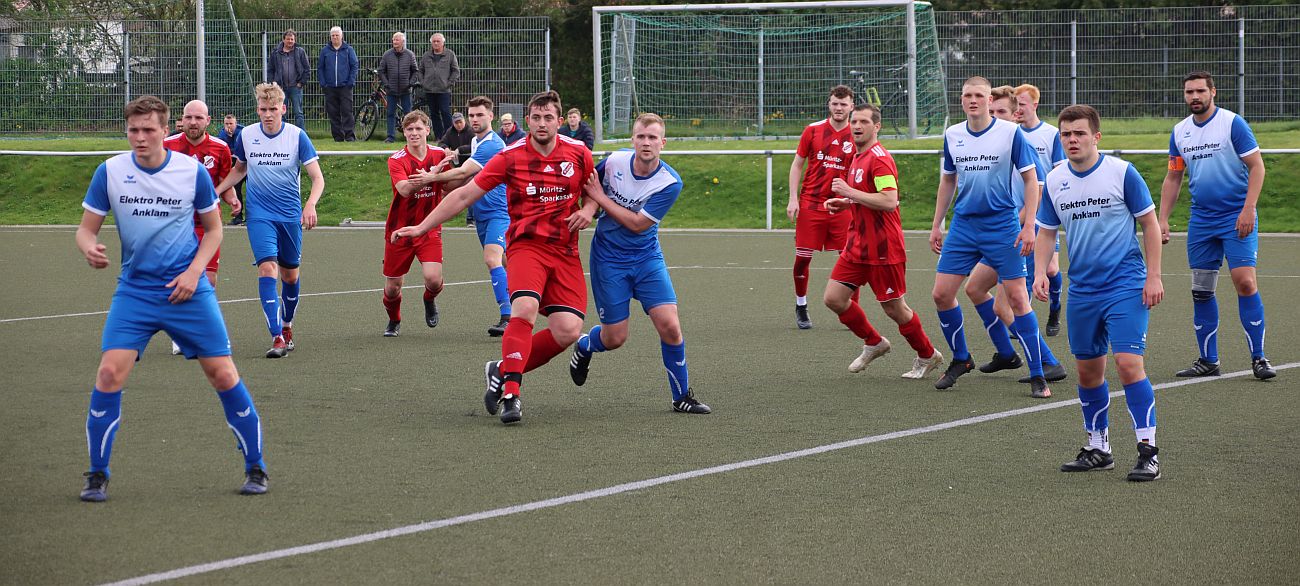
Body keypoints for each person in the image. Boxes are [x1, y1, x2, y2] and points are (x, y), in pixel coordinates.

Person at [75, 95, 268, 502]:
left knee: (223, 374)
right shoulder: (109, 172)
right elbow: (86, 228)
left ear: (166, 130)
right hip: (136, 292)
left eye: (149, 130)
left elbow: (213, 230)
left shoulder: (191, 172)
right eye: (133, 130)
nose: (140, 137)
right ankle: (97, 474)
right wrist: (88, 246)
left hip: (189, 290)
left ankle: (255, 466)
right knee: (109, 374)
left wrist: (194, 273)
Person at [392, 90, 597, 425]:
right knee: (525, 309)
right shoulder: (510, 156)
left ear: (560, 122)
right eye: (536, 117)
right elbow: (465, 193)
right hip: (527, 247)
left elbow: (593, 193)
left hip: (565, 252)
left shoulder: (578, 153)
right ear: (526, 121)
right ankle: (512, 394)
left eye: (549, 118)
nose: (542, 123)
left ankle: (501, 369)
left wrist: (588, 210)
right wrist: (421, 227)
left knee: (569, 330)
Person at [1035, 104, 1165, 481]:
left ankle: (1148, 451)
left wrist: (1153, 276)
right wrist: (1040, 272)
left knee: (1127, 365)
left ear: (1096, 137)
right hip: (1084, 290)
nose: (1072, 140)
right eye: (1066, 134)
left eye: (1079, 133)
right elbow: (1046, 230)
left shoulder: (1121, 173)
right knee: (1088, 372)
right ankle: (1098, 448)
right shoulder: (1055, 179)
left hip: (1125, 283)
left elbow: (1150, 225)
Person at [568, 113, 712, 414]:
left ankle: (681, 395)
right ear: (633, 139)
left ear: (663, 142)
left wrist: (600, 200)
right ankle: (584, 346)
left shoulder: (670, 182)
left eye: (652, 138)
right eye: (641, 137)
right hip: (608, 259)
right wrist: (590, 208)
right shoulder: (614, 161)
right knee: (615, 338)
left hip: (647, 259)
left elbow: (637, 224)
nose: (646, 143)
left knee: (671, 326)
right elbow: (590, 190)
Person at [929, 76, 1052, 398]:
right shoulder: (953, 135)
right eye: (967, 95)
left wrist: (1028, 226)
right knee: (942, 294)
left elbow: (1032, 179)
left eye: (979, 95)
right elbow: (947, 181)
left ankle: (1038, 373)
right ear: (962, 100)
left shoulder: (1010, 133)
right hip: (964, 227)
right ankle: (961, 359)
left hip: (1002, 225)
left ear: (988, 99)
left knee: (1016, 298)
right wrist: (936, 223)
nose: (973, 100)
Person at [1159, 71, 1274, 380]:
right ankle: (1208, 360)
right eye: (1189, 92)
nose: (1194, 97)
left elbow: (1256, 166)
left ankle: (1259, 358)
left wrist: (1248, 208)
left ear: (1213, 92)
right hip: (1201, 221)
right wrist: (1163, 218)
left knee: (1245, 282)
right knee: (1201, 290)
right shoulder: (1180, 131)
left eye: (1200, 91)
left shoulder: (1232, 123)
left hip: (1236, 215)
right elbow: (1174, 176)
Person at [822, 104, 944, 380]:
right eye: (854, 121)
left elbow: (889, 201)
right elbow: (870, 196)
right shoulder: (857, 156)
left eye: (864, 121)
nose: (856, 126)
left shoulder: (879, 158)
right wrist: (846, 202)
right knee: (834, 298)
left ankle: (927, 354)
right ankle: (874, 342)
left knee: (894, 309)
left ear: (877, 127)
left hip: (883, 249)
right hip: (856, 246)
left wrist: (849, 190)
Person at [960, 85, 1067, 389]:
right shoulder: (992, 143)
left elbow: (1040, 185)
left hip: (1021, 235)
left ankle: (1048, 363)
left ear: (1016, 114)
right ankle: (1007, 353)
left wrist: (1020, 221)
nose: (994, 117)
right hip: (1001, 233)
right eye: (992, 112)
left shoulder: (1019, 143)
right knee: (976, 288)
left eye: (1001, 112)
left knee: (1009, 305)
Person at [214, 82, 325, 359]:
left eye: (273, 109)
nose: (268, 114)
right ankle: (276, 336)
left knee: (290, 275)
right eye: (263, 109)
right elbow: (239, 169)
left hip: (289, 215)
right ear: (257, 110)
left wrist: (310, 204)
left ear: (283, 109)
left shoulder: (297, 136)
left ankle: (287, 326)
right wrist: (215, 193)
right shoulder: (247, 135)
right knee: (267, 269)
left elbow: (317, 177)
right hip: (259, 214)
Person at [422, 95, 513, 336]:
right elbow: (464, 178)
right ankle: (528, 301)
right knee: (506, 263)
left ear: (491, 116)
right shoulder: (476, 142)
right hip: (482, 215)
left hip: (499, 213)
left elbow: (464, 171)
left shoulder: (492, 144)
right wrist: (440, 181)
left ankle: (508, 317)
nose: (474, 119)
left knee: (492, 258)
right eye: (471, 115)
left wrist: (431, 178)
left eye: (480, 114)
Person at [163, 100, 242, 355]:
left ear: (208, 121)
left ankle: (199, 328)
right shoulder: (167, 147)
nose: (193, 122)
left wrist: (232, 198)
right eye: (189, 117)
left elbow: (224, 181)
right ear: (182, 120)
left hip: (208, 224)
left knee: (207, 279)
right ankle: (181, 333)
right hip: (176, 225)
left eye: (198, 118)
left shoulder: (220, 148)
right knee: (179, 276)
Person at [788, 85, 855, 329]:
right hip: (812, 204)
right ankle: (801, 305)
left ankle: (851, 310)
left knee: (850, 260)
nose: (839, 108)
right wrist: (793, 199)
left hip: (843, 207)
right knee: (802, 259)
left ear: (851, 106)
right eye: (835, 104)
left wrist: (857, 199)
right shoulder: (813, 131)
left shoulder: (857, 133)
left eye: (844, 104)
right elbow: (797, 165)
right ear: (829, 104)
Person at [381, 110, 449, 337]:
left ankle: (429, 300)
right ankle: (394, 319)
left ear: (428, 130)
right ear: (404, 133)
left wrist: (471, 170)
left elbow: (450, 186)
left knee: (433, 279)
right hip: (399, 231)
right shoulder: (396, 160)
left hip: (429, 227)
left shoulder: (440, 154)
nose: (414, 133)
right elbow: (404, 190)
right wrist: (430, 175)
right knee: (392, 289)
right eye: (409, 129)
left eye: (419, 128)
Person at [1014, 83, 1067, 335]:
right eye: (1015, 104)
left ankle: (1055, 305)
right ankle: (1025, 317)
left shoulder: (1052, 133)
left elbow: (1059, 171)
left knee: (1051, 269)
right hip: (1021, 208)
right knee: (1023, 267)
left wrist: (1046, 196)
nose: (1018, 109)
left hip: (1044, 210)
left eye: (1022, 104)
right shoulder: (1012, 133)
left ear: (1035, 105)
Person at [318, 26, 359, 142]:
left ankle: (349, 136)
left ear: (342, 36)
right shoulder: (325, 51)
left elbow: (354, 65)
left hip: (345, 87)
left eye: (337, 35)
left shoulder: (348, 50)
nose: (335, 37)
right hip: (330, 87)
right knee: (333, 113)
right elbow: (320, 68)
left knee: (347, 111)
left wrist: (350, 82)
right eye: (333, 35)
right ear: (330, 37)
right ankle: (338, 137)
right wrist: (323, 83)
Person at [378, 32, 418, 143]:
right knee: (390, 113)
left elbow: (415, 71)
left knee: (408, 115)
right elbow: (381, 71)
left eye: (397, 40)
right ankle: (390, 137)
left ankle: (409, 136)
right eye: (393, 40)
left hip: (406, 90)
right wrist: (387, 84)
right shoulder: (387, 55)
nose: (394, 42)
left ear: (402, 42)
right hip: (391, 90)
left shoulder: (410, 55)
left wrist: (410, 83)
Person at [418, 32, 460, 138]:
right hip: (429, 90)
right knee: (434, 114)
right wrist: (423, 83)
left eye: (438, 41)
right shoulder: (426, 55)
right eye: (434, 41)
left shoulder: (450, 54)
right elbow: (420, 70)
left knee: (446, 112)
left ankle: (450, 136)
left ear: (443, 43)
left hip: (444, 91)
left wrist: (449, 83)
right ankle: (438, 137)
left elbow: (455, 71)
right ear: (431, 43)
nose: (436, 43)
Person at [266, 29, 309, 130]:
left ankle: (301, 134)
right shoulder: (276, 53)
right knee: (281, 112)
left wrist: (301, 83)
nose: (290, 41)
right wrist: (273, 84)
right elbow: (270, 69)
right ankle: (281, 132)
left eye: (292, 39)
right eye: (288, 39)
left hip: (296, 87)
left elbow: (307, 69)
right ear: (283, 40)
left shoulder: (300, 52)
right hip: (280, 88)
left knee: (298, 112)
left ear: (295, 40)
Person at [217, 114, 246, 224]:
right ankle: (238, 217)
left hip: (246, 163)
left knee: (251, 189)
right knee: (236, 189)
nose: (229, 126)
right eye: (226, 124)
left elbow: (238, 150)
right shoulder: (222, 133)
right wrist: (228, 137)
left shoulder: (242, 132)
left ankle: (251, 217)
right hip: (234, 165)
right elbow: (223, 150)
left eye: (231, 123)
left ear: (236, 123)